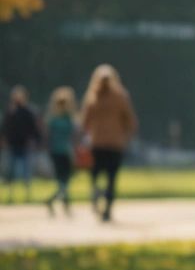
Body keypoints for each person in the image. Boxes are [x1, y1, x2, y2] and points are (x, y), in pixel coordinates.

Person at [80, 64, 137, 222]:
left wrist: (82, 138)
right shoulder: (121, 97)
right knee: (111, 179)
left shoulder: (93, 96)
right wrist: (125, 136)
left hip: (97, 143)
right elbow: (131, 120)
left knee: (95, 175)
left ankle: (97, 193)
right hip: (115, 144)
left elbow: (84, 122)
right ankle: (107, 208)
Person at [43, 86, 77, 216]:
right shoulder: (55, 120)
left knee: (65, 180)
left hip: (64, 152)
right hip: (58, 152)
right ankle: (62, 202)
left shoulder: (64, 119)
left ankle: (62, 201)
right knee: (62, 180)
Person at [3, 86, 39, 204]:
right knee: (11, 172)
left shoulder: (28, 112)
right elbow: (5, 128)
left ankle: (28, 196)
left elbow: (33, 129)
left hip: (24, 145)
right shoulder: (10, 112)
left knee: (26, 172)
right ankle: (10, 196)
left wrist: (33, 140)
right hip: (13, 145)